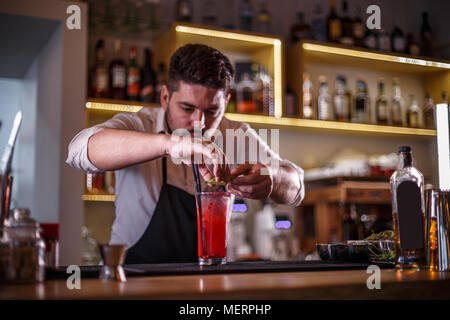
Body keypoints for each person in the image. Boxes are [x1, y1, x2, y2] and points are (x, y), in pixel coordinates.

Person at [67, 44, 304, 264]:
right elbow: (78, 150)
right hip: (132, 280)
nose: (199, 122)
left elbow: (297, 186)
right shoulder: (139, 124)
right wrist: (170, 144)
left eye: (212, 110)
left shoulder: (234, 133)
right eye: (187, 108)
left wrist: (272, 178)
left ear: (227, 101)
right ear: (165, 97)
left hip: (207, 284)